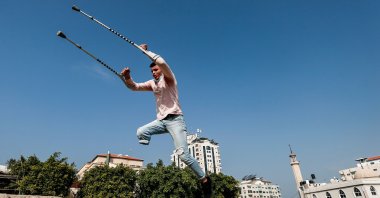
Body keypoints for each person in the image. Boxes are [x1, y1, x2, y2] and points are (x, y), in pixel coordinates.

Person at [121, 44, 212, 196]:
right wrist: (128, 77)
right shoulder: (152, 84)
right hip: (161, 121)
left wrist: (145, 52)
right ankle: (146, 142)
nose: (154, 73)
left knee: (183, 154)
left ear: (161, 70)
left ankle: (204, 179)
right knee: (141, 131)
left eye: (155, 70)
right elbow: (134, 87)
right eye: (151, 71)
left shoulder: (169, 79)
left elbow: (162, 62)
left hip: (176, 120)